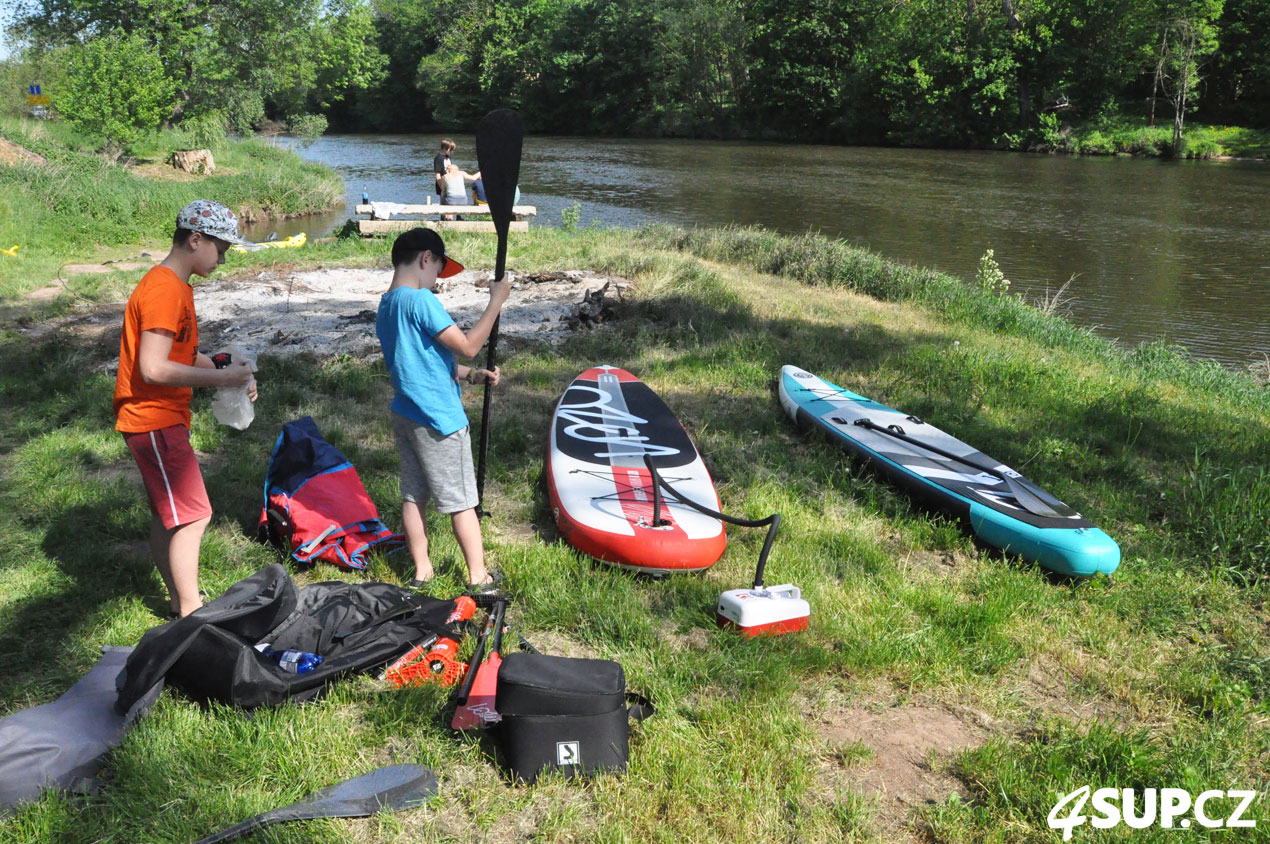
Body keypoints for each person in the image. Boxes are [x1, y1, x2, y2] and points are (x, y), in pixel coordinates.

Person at [114, 199, 258, 619]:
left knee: (170, 514)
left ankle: (181, 602)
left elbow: (184, 355)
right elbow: (154, 368)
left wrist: (229, 369)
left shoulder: (176, 287)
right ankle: (193, 613)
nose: (223, 259)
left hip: (160, 418)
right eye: (221, 249)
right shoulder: (163, 290)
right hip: (152, 417)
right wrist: (222, 381)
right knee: (194, 515)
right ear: (196, 240)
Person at [376, 227, 510, 591]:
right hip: (439, 420)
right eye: (438, 270)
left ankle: (422, 571)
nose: (437, 280)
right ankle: (479, 578)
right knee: (462, 500)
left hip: (405, 414)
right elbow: (467, 345)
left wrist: (470, 376)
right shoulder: (421, 301)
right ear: (425, 259)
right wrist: (496, 301)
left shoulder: (386, 305)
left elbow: (421, 361)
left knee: (413, 495)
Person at [432, 139, 455, 205]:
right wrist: (441, 186)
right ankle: (443, 215)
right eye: (450, 149)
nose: (451, 151)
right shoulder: (438, 158)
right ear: (444, 148)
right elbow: (437, 173)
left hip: (450, 182)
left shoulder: (449, 157)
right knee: (443, 202)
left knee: (451, 202)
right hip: (442, 182)